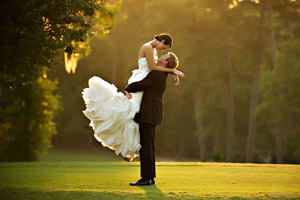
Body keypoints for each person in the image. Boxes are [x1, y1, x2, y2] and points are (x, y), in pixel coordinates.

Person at [82, 33, 184, 161]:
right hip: (141, 81)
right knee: (131, 111)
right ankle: (121, 147)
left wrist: (171, 71)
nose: (162, 51)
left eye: (164, 51)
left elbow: (157, 69)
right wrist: (172, 71)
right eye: (163, 48)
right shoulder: (147, 47)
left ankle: (124, 148)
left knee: (135, 114)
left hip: (145, 82)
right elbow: (153, 67)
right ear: (162, 41)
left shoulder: (153, 51)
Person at [126, 52, 179, 186]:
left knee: (146, 146)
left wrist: (128, 87)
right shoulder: (162, 73)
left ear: (165, 62)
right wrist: (174, 72)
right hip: (153, 113)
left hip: (149, 114)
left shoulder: (157, 74)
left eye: (164, 56)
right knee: (148, 146)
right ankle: (149, 177)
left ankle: (146, 178)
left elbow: (143, 84)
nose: (161, 56)